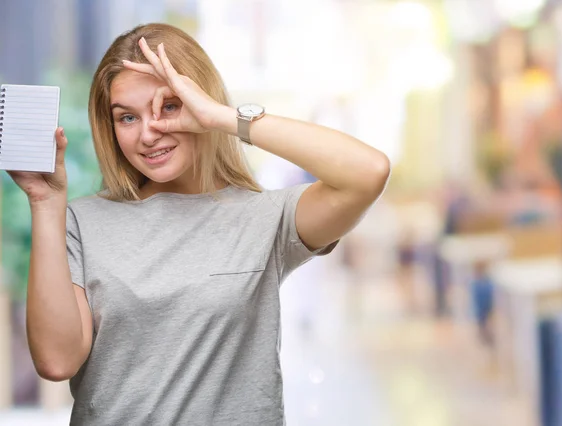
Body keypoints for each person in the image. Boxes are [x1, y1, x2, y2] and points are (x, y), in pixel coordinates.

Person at [6, 23, 390, 425]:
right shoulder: (81, 221)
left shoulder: (264, 218)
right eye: (127, 118)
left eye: (168, 107)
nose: (149, 134)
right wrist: (45, 203)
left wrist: (220, 116)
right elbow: (56, 360)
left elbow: (369, 171)